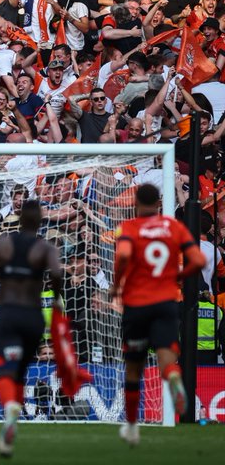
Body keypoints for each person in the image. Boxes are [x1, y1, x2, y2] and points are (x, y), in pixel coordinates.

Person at [111, 183, 206, 445]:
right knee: (167, 358)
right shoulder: (174, 226)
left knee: (133, 369)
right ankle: (174, 380)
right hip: (166, 301)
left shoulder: (130, 228)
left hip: (137, 303)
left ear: (135, 202)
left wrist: (116, 286)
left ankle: (131, 427)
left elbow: (124, 257)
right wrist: (177, 276)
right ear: (159, 201)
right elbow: (198, 261)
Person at [0, 200, 65, 457]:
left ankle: (11, 406)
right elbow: (57, 274)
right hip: (33, 316)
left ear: (20, 219)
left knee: (5, 367)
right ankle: (15, 410)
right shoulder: (45, 247)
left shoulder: (4, 245)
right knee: (21, 370)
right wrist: (52, 295)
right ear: (41, 221)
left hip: (9, 313)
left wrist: (3, 276)